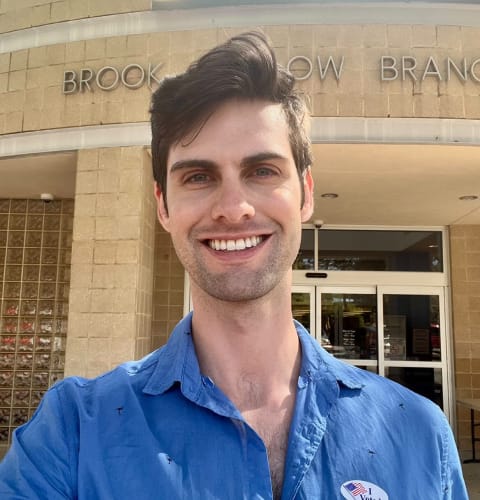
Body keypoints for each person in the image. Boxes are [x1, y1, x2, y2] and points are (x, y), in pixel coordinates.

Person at [0, 31, 468, 500]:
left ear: (305, 192)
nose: (233, 207)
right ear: (163, 205)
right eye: (199, 176)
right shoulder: (72, 434)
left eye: (262, 171)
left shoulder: (420, 436)